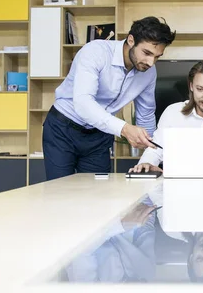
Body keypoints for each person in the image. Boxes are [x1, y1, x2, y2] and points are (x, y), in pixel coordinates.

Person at [42, 16, 176, 180]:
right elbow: (83, 103)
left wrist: (151, 154)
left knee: (98, 193)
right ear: (131, 40)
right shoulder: (95, 52)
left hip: (99, 135)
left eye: (157, 56)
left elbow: (146, 114)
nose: (150, 62)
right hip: (63, 128)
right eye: (147, 53)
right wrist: (125, 129)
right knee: (59, 192)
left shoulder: (149, 73)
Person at [129, 60, 203, 173]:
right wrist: (147, 163)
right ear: (191, 86)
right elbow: (156, 149)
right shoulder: (172, 113)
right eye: (200, 89)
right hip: (177, 189)